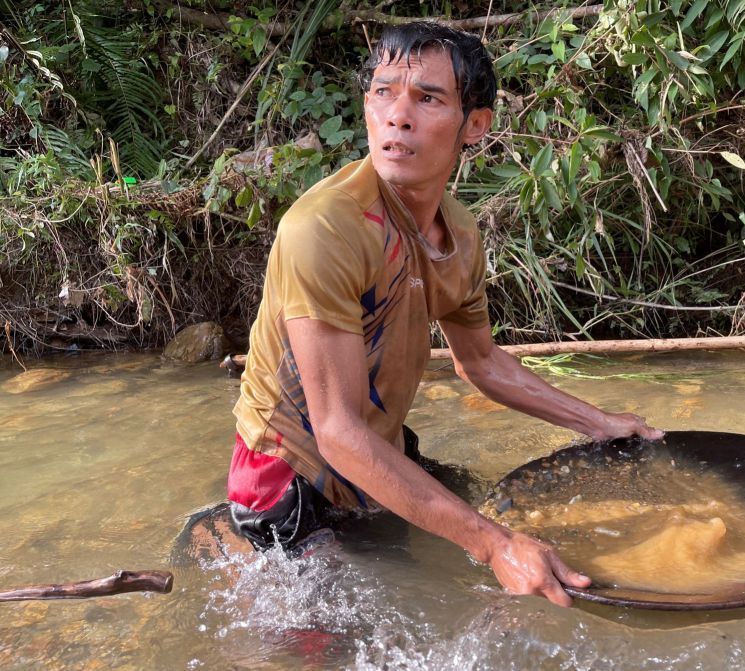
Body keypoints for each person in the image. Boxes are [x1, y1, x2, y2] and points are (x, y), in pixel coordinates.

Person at [227, 21, 663, 607]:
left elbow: (480, 362)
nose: (397, 116)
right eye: (383, 92)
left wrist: (599, 422)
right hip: (287, 472)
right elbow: (336, 431)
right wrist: (495, 546)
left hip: (376, 452)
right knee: (330, 639)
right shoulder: (324, 227)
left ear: (475, 125)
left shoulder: (458, 232)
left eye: (427, 98)